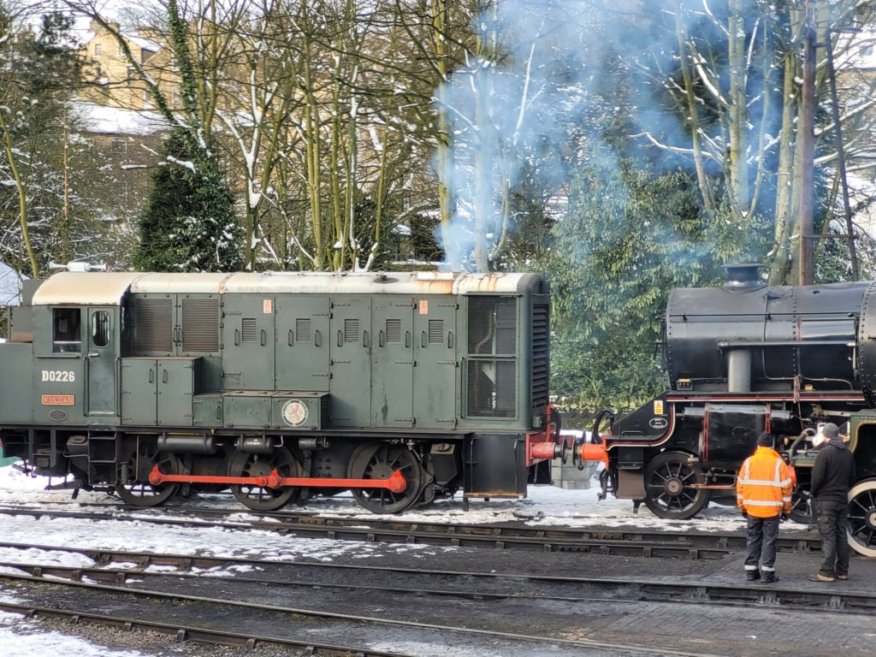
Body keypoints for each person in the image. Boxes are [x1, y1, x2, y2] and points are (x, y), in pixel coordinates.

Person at [736, 432, 793, 583]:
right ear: (772, 447)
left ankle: (751, 571)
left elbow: (740, 487)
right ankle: (767, 573)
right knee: (769, 541)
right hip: (772, 510)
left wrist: (742, 507)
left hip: (752, 510)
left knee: (753, 539)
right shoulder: (779, 464)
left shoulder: (748, 462)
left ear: (758, 446)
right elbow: (787, 489)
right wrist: (787, 509)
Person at [809, 422, 856, 583]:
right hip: (842, 499)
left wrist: (814, 493)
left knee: (828, 536)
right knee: (841, 535)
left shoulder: (825, 453)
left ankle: (826, 572)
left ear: (826, 435)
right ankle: (843, 571)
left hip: (826, 500)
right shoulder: (848, 454)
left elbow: (817, 478)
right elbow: (852, 477)